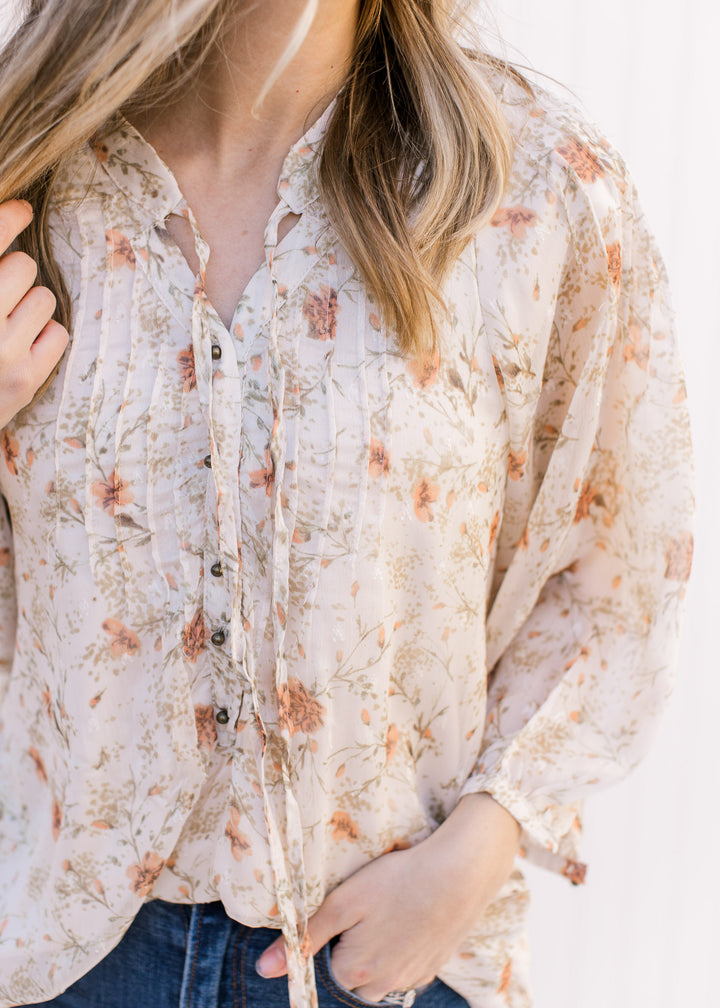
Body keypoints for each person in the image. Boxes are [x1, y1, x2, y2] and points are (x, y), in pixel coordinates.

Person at [0, 1, 694, 1006]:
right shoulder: (33, 180)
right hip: (65, 958)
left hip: (388, 964)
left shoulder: (536, 185)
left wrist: (482, 844)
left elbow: (620, 563)